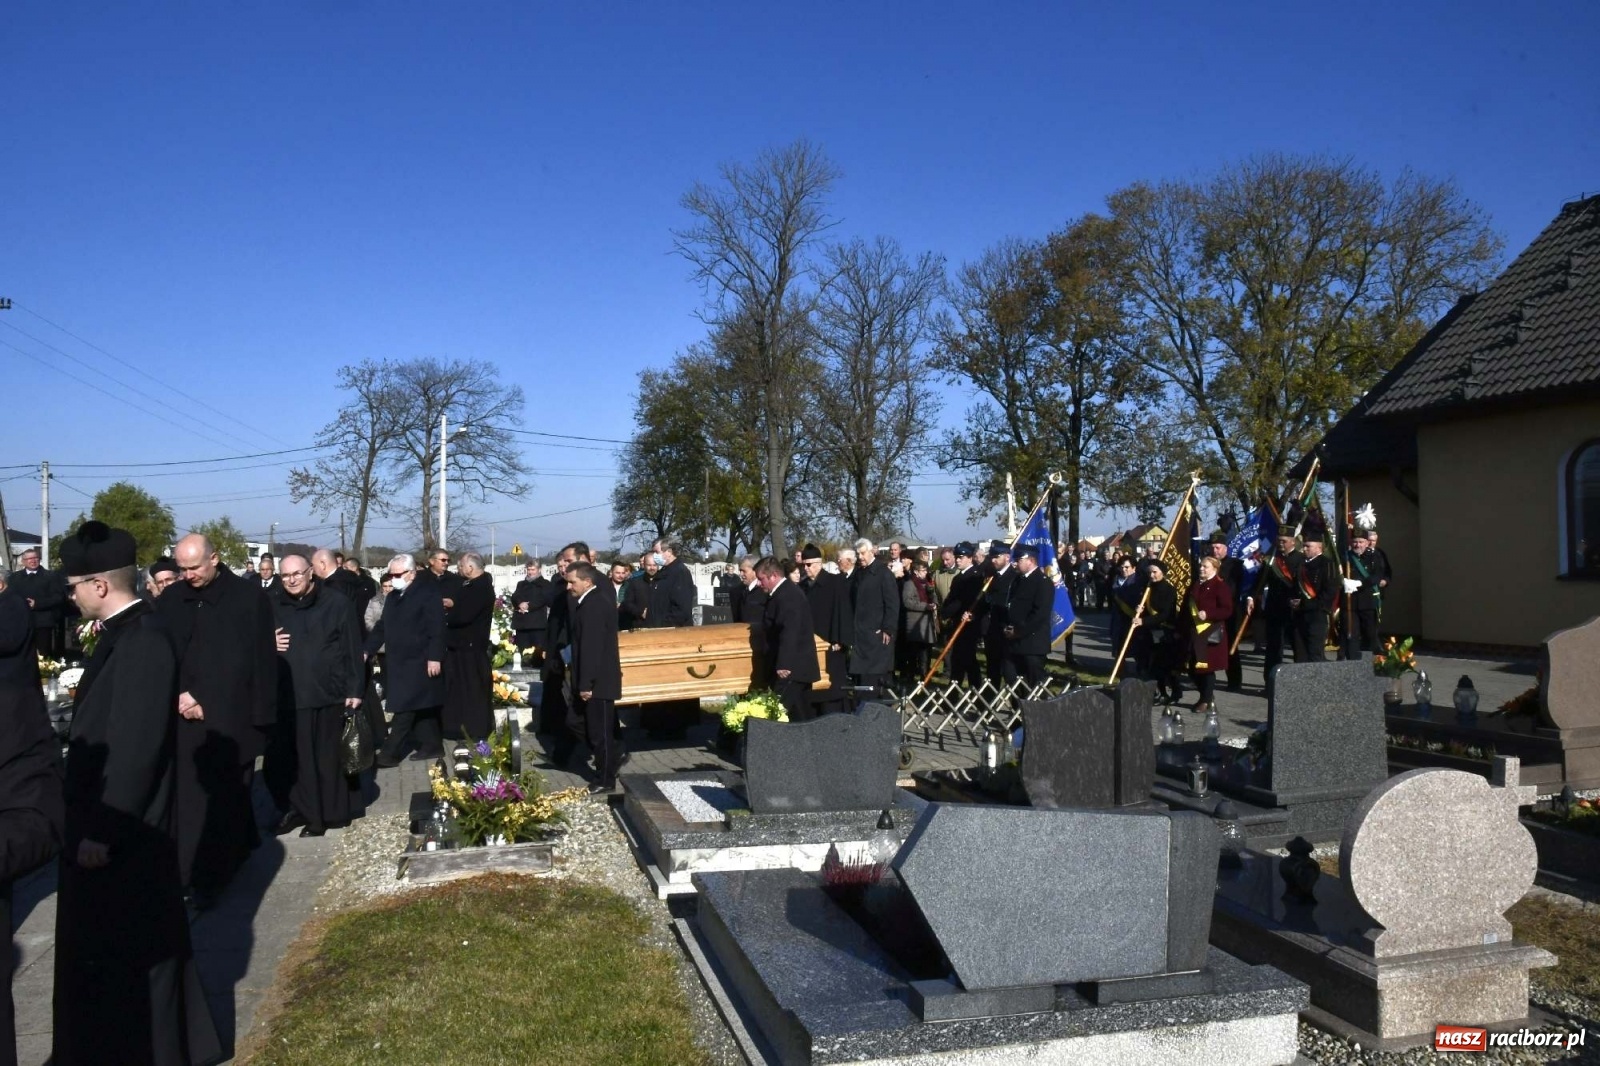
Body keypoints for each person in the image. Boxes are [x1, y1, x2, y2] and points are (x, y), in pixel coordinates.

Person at [53, 522, 220, 1066]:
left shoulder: (144, 639)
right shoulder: (127, 632)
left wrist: (104, 831)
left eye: (74, 582)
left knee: (133, 956)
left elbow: (136, 745)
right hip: (114, 827)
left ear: (100, 585)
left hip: (127, 835)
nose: (68, 592)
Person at [158, 533, 277, 910]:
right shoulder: (172, 599)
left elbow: (251, 660)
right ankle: (193, 869)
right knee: (190, 798)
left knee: (225, 797)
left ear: (215, 559)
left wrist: (204, 696)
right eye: (182, 568)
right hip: (181, 715)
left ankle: (216, 874)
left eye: (194, 567)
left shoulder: (246, 597)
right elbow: (161, 653)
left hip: (230, 717)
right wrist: (178, 693)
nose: (188, 575)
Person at [269, 555, 364, 838]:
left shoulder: (336, 603)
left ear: (311, 573)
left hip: (329, 693)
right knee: (297, 761)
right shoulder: (272, 604)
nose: (292, 580)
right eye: (285, 576)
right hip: (290, 695)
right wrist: (268, 642)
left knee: (327, 759)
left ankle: (332, 813)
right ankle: (305, 811)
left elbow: (351, 646)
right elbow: (252, 642)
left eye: (297, 574)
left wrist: (355, 689)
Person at [368, 554, 446, 767]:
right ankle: (432, 745)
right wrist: (367, 649)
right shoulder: (393, 597)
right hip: (399, 660)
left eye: (397, 574)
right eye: (391, 574)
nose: (393, 578)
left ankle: (389, 753)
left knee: (405, 708)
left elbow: (437, 628)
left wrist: (434, 657)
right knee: (420, 706)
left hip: (420, 659)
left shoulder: (427, 593)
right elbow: (382, 626)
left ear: (411, 574)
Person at [566, 562, 622, 795]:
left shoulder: (594, 605)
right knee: (576, 722)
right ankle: (612, 759)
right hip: (591, 680)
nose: (569, 586)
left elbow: (592, 648)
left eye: (572, 582)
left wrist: (586, 684)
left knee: (601, 734)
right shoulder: (589, 602)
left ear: (587, 582)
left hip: (598, 681)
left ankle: (606, 778)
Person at [756, 556, 819, 721]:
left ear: (773, 576)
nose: (758, 583)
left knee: (778, 711)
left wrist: (784, 663)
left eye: (761, 579)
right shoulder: (782, 593)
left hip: (792, 668)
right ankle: (806, 745)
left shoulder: (788, 595)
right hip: (795, 667)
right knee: (800, 714)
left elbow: (790, 631)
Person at [441, 552, 495, 743]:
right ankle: (456, 726)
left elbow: (465, 615)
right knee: (459, 689)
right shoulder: (470, 586)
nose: (459, 568)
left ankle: (476, 728)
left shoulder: (480, 588)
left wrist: (447, 614)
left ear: (471, 568)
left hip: (470, 646)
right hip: (460, 646)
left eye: (461, 565)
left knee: (473, 690)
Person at [799, 544, 851, 715]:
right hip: (811, 645)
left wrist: (839, 640)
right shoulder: (803, 587)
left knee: (831, 688)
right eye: (803, 565)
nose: (805, 568)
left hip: (830, 643)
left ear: (819, 564)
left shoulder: (834, 582)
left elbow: (842, 611)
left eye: (809, 564)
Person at [1185, 554, 1234, 717]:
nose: (1201, 569)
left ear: (1214, 568)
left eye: (1205, 566)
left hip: (1210, 631)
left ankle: (1205, 700)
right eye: (1200, 566)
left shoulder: (1220, 586)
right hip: (1195, 632)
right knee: (1192, 668)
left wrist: (1210, 613)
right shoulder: (1197, 584)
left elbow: (1227, 610)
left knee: (1207, 668)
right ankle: (1206, 695)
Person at [848, 539, 899, 696]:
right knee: (862, 679)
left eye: (863, 553)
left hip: (876, 634)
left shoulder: (883, 573)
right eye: (858, 554)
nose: (860, 557)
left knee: (874, 679)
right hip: (861, 633)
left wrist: (887, 628)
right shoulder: (858, 573)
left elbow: (892, 603)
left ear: (872, 552)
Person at [1130, 558, 1181, 703]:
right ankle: (1161, 693)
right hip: (1149, 631)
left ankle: (1176, 692)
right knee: (1152, 665)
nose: (1152, 575)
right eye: (1149, 572)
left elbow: (1165, 614)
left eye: (1155, 572)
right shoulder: (1147, 588)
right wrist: (1139, 610)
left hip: (1165, 631)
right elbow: (1145, 608)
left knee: (1165, 665)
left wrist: (1143, 620)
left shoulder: (1169, 590)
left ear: (1162, 573)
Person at [1255, 529, 1304, 679]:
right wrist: (1252, 596)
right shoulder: (1271, 559)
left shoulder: (1301, 559)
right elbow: (1260, 581)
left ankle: (1301, 680)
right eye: (1279, 540)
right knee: (1274, 648)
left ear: (1293, 542)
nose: (1280, 544)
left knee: (1298, 646)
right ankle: (1270, 681)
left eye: (1284, 541)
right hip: (1275, 608)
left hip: (1295, 609)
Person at [1005, 545, 1055, 686]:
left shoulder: (1043, 582)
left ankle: (1040, 706)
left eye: (1019, 559)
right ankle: (1019, 706)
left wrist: (1019, 631)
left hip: (1033, 642)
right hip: (1015, 641)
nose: (1015, 563)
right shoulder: (1017, 580)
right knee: (1012, 677)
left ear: (1030, 560)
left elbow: (1040, 614)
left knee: (1035, 681)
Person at [1293, 514, 1338, 663]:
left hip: (1317, 615)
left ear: (1319, 547)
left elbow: (1329, 592)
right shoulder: (1301, 564)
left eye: (1308, 546)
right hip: (1299, 616)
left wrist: (1306, 604)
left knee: (1314, 654)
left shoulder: (1327, 564)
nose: (1304, 548)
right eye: (1304, 545)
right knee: (1300, 655)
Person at [939, 543, 985, 688]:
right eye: (957, 557)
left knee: (967, 659)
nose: (958, 560)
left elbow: (966, 601)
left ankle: (976, 690)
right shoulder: (958, 578)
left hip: (968, 625)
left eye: (961, 557)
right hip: (956, 623)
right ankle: (954, 691)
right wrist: (944, 612)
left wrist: (971, 614)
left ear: (970, 558)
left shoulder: (976, 577)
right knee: (958, 659)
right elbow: (950, 599)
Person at [9, 548, 65, 660]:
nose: (33, 561)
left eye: (35, 558)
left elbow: (58, 597)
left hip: (43, 623)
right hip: (21, 623)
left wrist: (37, 604)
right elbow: (10, 597)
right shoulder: (14, 578)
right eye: (29, 558)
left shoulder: (51, 576)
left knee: (43, 656)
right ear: (23, 561)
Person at [1209, 535, 1247, 692]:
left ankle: (1234, 681)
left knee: (1231, 645)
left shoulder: (1236, 565)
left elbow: (1236, 587)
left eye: (1218, 547)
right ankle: (1208, 679)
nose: (1214, 550)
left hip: (1230, 611)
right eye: (1212, 548)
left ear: (1226, 548)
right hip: (1211, 611)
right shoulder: (1208, 564)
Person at [1346, 528, 1388, 653]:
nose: (1357, 545)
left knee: (1370, 634)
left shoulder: (1374, 556)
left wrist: (1360, 583)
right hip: (1350, 603)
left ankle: (1369, 662)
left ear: (1366, 542)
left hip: (1368, 601)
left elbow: (1377, 575)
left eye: (1360, 542)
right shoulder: (1346, 557)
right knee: (1352, 635)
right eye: (1355, 542)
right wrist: (1343, 581)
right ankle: (1351, 660)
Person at [981, 540, 1017, 684]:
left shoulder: (1014, 577)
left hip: (1006, 629)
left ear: (1007, 557)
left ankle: (1017, 703)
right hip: (992, 629)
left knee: (1010, 672)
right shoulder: (992, 577)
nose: (993, 560)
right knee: (992, 670)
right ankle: (990, 702)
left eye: (997, 557)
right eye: (992, 557)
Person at [900, 558, 937, 684]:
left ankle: (925, 676)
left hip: (927, 623)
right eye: (923, 570)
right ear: (916, 571)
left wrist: (934, 604)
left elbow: (934, 597)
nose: (925, 572)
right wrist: (924, 606)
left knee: (926, 652)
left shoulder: (928, 583)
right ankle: (911, 676)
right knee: (913, 653)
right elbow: (907, 602)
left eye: (926, 570)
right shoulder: (910, 584)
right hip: (915, 623)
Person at [510, 558, 552, 656]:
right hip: (522, 623)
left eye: (533, 569)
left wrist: (528, 606)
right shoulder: (521, 584)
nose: (530, 572)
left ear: (539, 569)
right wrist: (520, 603)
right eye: (528, 569)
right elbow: (515, 596)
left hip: (537, 623)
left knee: (537, 653)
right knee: (522, 652)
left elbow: (543, 598)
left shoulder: (545, 584)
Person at [1108, 556, 1141, 659]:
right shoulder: (1116, 579)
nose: (1124, 569)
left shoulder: (1137, 581)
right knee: (1118, 645)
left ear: (1133, 568)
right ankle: (1120, 669)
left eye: (1127, 567)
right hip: (1117, 618)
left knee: (1135, 646)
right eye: (1122, 567)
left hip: (1130, 616)